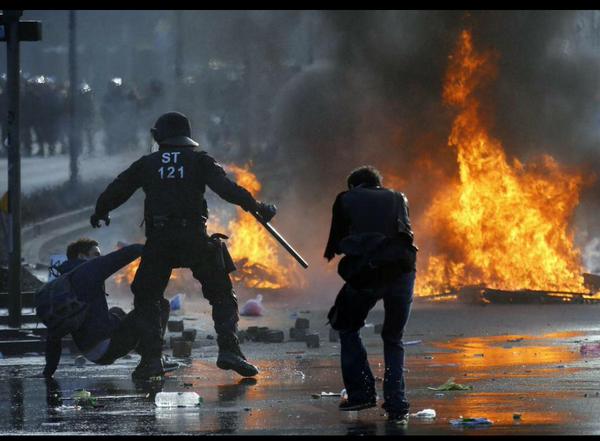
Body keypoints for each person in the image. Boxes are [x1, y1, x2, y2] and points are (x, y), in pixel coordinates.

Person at [90, 111, 277, 380]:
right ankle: (229, 350)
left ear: (158, 137)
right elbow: (227, 189)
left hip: (160, 240)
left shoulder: (148, 163)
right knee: (221, 292)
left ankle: (151, 359)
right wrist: (257, 207)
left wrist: (101, 211)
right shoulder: (199, 160)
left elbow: (118, 189)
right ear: (187, 137)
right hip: (193, 237)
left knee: (146, 296)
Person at [324, 165, 417, 425]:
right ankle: (397, 403)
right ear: (377, 183)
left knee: (345, 325)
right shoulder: (399, 197)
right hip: (403, 271)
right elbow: (405, 235)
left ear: (354, 185)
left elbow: (335, 244)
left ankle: (362, 392)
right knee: (393, 337)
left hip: (369, 271)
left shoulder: (345, 198)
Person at [42, 238, 177, 378]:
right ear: (82, 256)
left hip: (90, 351)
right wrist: (155, 250)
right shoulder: (88, 271)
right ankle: (151, 362)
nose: (99, 258)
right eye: (95, 255)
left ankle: (149, 355)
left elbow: (54, 333)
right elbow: (122, 256)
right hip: (107, 347)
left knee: (116, 312)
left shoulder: (64, 281)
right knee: (159, 305)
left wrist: (49, 370)